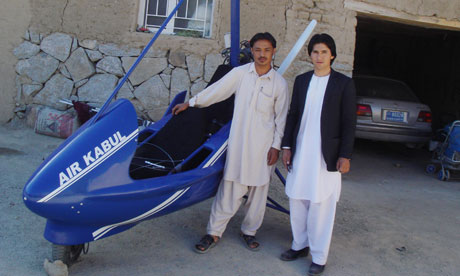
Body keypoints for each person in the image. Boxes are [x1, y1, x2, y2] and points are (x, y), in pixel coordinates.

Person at [172, 32, 289, 253]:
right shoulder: (240, 74)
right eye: (257, 49)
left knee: (258, 192)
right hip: (240, 143)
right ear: (251, 51)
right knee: (230, 188)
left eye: (266, 50)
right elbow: (217, 91)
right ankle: (213, 232)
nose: (262, 54)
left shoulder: (280, 84)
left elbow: (281, 118)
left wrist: (276, 146)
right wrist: (192, 102)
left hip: (264, 147)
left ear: (274, 51)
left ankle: (249, 232)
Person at [279, 33, 356, 276]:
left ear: (332, 54)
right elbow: (293, 115)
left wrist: (345, 154)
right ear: (310, 55)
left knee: (322, 202)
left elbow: (349, 122)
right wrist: (287, 146)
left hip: (327, 154)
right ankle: (299, 245)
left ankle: (319, 256)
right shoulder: (302, 81)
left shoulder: (343, 83)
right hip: (302, 150)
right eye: (315, 52)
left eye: (324, 52)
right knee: (298, 198)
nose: (319, 56)